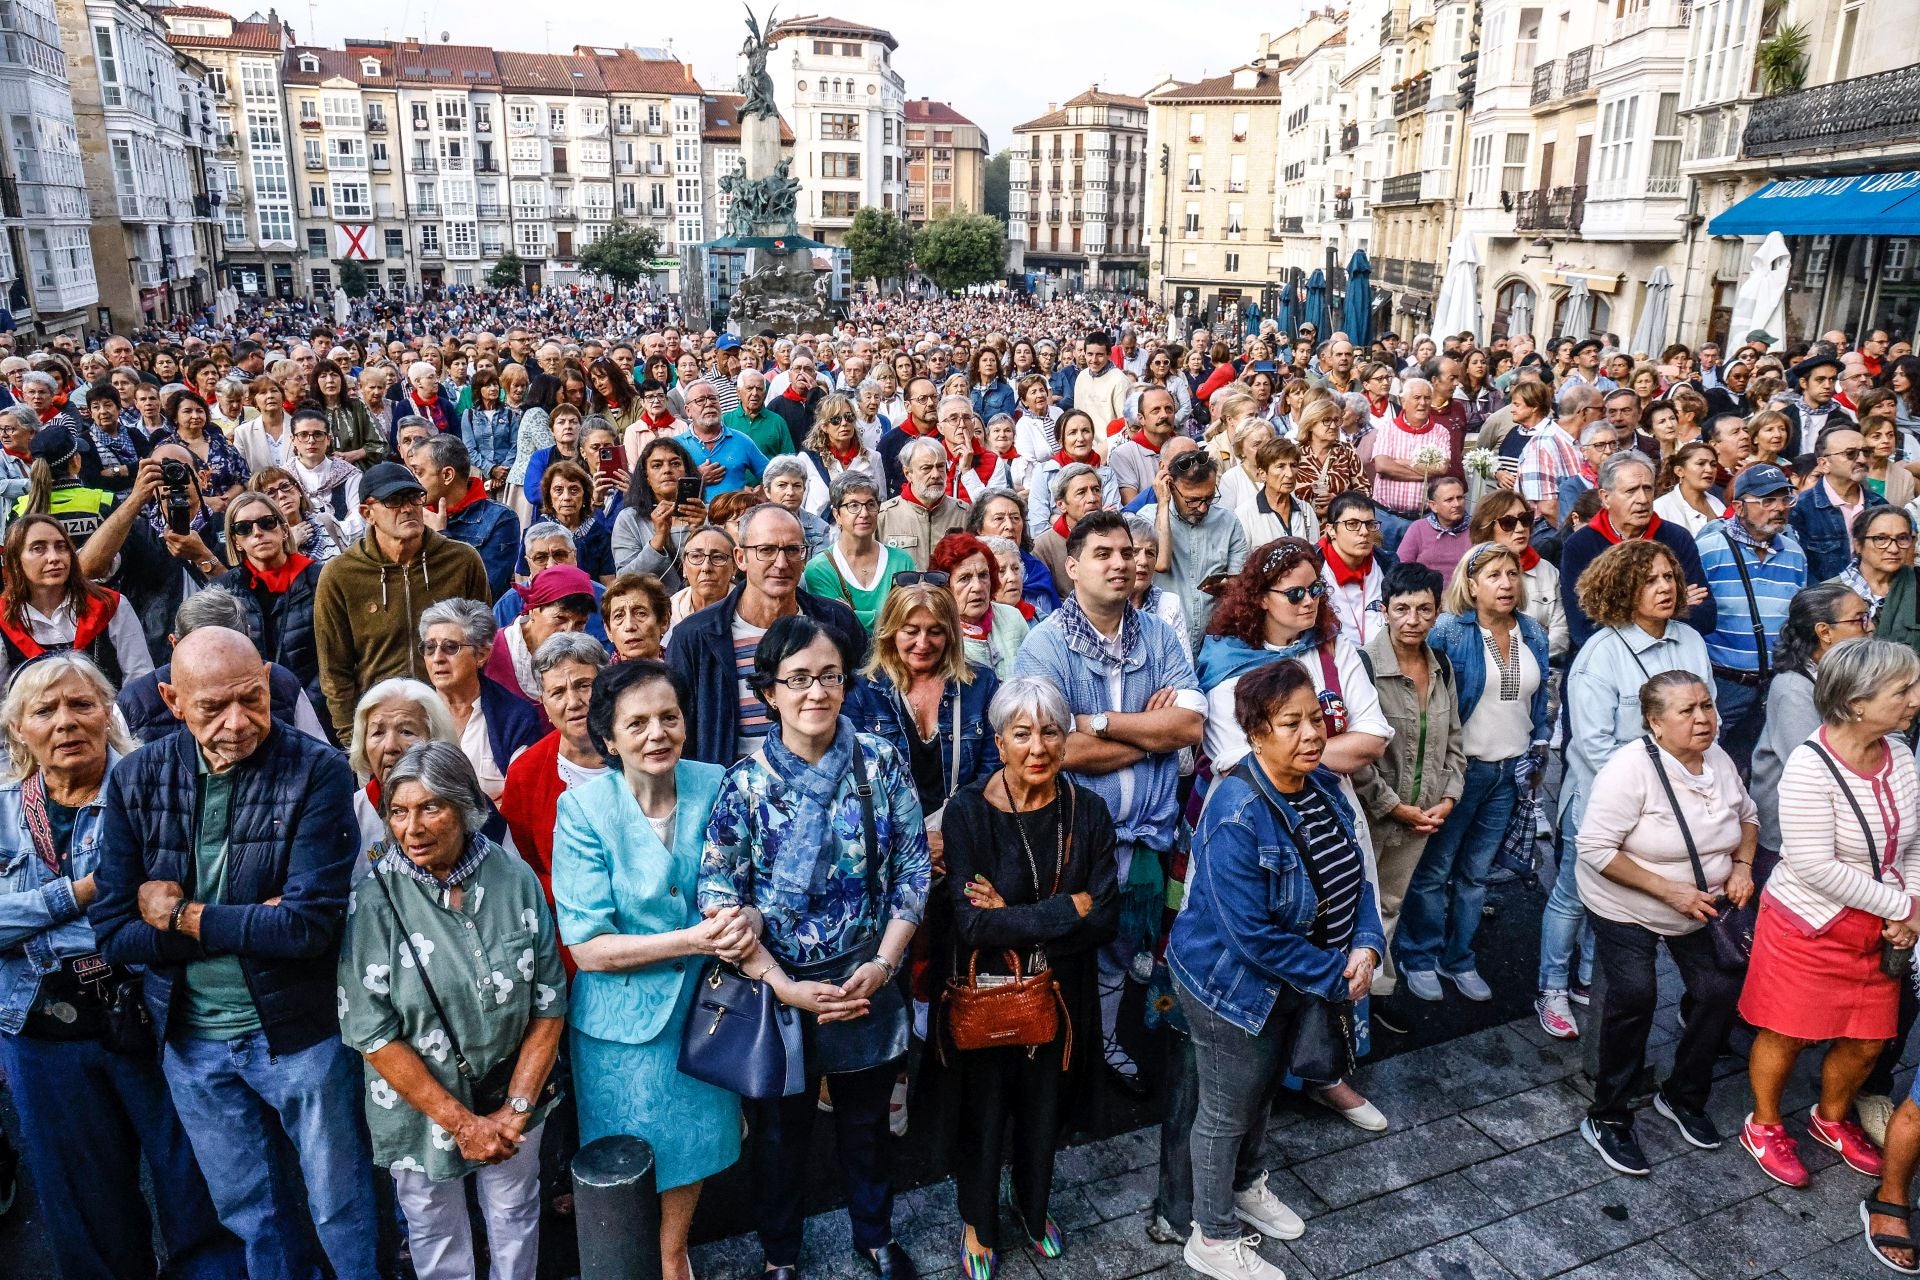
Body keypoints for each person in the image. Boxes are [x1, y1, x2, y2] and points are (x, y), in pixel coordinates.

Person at [91, 626, 377, 1280]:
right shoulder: (136, 780)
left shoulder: (317, 770)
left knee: (340, 1201)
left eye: (253, 698)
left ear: (270, 679)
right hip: (191, 1040)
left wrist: (183, 914)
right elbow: (113, 932)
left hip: (300, 1034)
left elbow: (306, 928)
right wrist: (250, 921)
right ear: (171, 699)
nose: (238, 721)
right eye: (213, 706)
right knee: (250, 1208)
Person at [698, 613, 931, 1280]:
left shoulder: (879, 762)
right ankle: (780, 1255)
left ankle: (875, 1236)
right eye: (796, 679)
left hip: (866, 978)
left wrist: (885, 964)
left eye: (829, 676)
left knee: (866, 1127)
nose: (815, 693)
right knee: (779, 1137)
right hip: (781, 991)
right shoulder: (744, 784)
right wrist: (781, 983)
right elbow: (719, 899)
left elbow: (914, 868)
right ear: (767, 691)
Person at [0, 652, 245, 1280]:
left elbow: (173, 903)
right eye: (45, 710)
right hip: (40, 1029)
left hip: (153, 1014)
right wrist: (83, 893)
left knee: (197, 1189)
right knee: (84, 1209)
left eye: (82, 705)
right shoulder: (4, 809)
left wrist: (31, 917)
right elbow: (121, 903)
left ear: (107, 713)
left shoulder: (156, 790)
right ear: (17, 729)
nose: (65, 723)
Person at [1172, 659, 1385, 1280]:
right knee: (1225, 1110)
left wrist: (1366, 944)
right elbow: (1251, 937)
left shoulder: (1317, 785)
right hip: (1230, 989)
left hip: (1298, 980)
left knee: (1262, 1092)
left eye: (1316, 718)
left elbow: (1355, 873)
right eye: (1291, 723)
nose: (1312, 734)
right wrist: (1336, 974)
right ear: (1255, 733)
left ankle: (1246, 1186)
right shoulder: (1236, 810)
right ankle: (1209, 1236)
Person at [551, 660, 747, 1280]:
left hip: (708, 1012)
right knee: (628, 1158)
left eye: (669, 717)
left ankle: (673, 1254)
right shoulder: (582, 809)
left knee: (691, 1149)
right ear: (608, 737)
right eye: (636, 723)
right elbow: (587, 946)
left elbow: (752, 883)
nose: (657, 733)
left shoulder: (718, 783)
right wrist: (692, 937)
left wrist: (751, 923)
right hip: (619, 1024)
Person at [340, 741, 566, 1280]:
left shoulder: (514, 880)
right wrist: (461, 1124)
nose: (411, 827)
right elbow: (370, 1029)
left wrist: (515, 1108)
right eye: (399, 811)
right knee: (433, 1228)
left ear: (465, 808)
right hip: (420, 1109)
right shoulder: (375, 900)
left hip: (513, 1093)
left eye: (430, 808)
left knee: (515, 1214)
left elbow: (549, 1001)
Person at [1014, 511, 1205, 1092]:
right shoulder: (1044, 643)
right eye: (1104, 554)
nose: (1122, 563)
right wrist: (1149, 735)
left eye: (1127, 552)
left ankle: (1104, 1043)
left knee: (1123, 951)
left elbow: (1191, 728)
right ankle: (1061, 1053)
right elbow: (1051, 751)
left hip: (1146, 833)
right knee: (1066, 948)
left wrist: (1097, 722)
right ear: (1071, 568)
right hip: (1076, 834)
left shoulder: (1159, 635)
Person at [935, 677, 1119, 1275]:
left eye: (1049, 732)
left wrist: (1010, 916)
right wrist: (1068, 909)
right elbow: (969, 925)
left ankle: (1033, 1207)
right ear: (999, 739)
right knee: (983, 1112)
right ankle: (978, 1223)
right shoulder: (968, 812)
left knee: (1047, 1111)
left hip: (1063, 996)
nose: (1037, 747)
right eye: (1022, 734)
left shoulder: (1087, 811)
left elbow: (1108, 917)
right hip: (991, 995)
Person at [1742, 639, 1920, 1193]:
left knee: (1868, 1039)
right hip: (1810, 924)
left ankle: (1830, 1117)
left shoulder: (1901, 753)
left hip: (1880, 924)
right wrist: (1905, 907)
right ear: (1857, 702)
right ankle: (1764, 1124)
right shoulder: (1808, 766)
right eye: (1903, 690)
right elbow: (1816, 867)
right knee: (1788, 1032)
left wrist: (1909, 907)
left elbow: (1912, 843)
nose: (1915, 699)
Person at [1575, 671, 1756, 1175]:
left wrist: (1741, 866)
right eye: (1687, 711)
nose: (1703, 719)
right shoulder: (1628, 770)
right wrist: (1668, 889)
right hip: (1627, 903)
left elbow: (1749, 816)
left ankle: (1682, 1095)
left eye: (1707, 706)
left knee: (1720, 990)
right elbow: (1593, 849)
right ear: (1655, 723)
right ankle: (1608, 1114)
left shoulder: (1718, 758)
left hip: (1701, 905)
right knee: (1635, 995)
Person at [1546, 540, 1715, 1039]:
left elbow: (1709, 719)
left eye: (1669, 577)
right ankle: (1551, 985)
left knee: (1618, 909)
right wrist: (1644, 799)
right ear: (1622, 589)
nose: (1664, 587)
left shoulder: (1690, 641)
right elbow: (1594, 746)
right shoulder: (1600, 655)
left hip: (1674, 804)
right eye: (1649, 580)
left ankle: (1586, 980)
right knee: (1574, 897)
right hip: (1604, 802)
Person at [1398, 544, 1549, 1004]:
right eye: (1495, 575)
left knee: (1476, 875)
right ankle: (1418, 955)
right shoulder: (1450, 632)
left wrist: (1538, 747)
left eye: (1513, 574)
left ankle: (1458, 957)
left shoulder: (1532, 632)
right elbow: (1425, 698)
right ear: (1471, 583)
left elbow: (1537, 702)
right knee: (1433, 870)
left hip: (1509, 774)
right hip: (1462, 772)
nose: (1506, 583)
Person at [666, 504, 860, 765]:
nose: (781, 563)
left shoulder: (836, 621)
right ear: (740, 558)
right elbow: (681, 731)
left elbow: (863, 705)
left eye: (792, 550)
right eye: (766, 550)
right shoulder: (696, 636)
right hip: (733, 791)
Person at [1352, 562, 1463, 999]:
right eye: (1402, 609)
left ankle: (1372, 994)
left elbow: (1454, 740)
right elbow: (1357, 755)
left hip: (1421, 816)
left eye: (1423, 609)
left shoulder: (1443, 668)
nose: (1412, 620)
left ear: (1437, 613)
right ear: (1384, 610)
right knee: (1355, 907)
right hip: (1373, 814)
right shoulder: (1362, 664)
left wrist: (1449, 797)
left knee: (1389, 907)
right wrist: (1390, 805)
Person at [312, 461, 491, 732]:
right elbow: (334, 670)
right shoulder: (340, 575)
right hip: (382, 726)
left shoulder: (462, 560)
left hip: (454, 720)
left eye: (413, 497)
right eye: (393, 501)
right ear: (367, 513)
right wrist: (352, 736)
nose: (408, 508)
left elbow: (483, 643)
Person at [846, 580, 1001, 864]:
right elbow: (858, 787)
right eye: (911, 631)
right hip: (890, 850)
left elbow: (991, 776)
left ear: (951, 635)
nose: (923, 643)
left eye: (935, 631)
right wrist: (915, 841)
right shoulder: (862, 693)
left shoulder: (981, 685)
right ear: (891, 632)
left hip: (967, 842)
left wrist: (952, 840)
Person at [1690, 463, 1808, 772]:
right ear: (1739, 506)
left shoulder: (1794, 553)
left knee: (1763, 769)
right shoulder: (1709, 548)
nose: (1779, 508)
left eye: (1785, 499)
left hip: (1773, 683)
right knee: (1710, 765)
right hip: (1723, 682)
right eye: (1767, 501)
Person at [1558, 450, 1715, 649]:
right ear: (1606, 498)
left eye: (1648, 489)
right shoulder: (1581, 545)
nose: (1642, 499)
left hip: (1673, 656)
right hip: (1612, 664)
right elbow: (1582, 627)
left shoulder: (1677, 538)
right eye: (1631, 491)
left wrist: (1616, 609)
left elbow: (1706, 617)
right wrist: (1672, 606)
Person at [499, 632, 612, 906]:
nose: (573, 702)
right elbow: (520, 869)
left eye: (584, 685)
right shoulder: (526, 773)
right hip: (564, 921)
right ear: (545, 705)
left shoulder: (640, 753)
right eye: (558, 692)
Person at [215, 492, 329, 741]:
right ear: (235, 542)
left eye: (267, 523)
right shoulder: (222, 591)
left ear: (284, 530)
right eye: (244, 528)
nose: (257, 533)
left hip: (321, 711)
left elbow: (337, 655)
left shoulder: (322, 579)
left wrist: (307, 704)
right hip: (253, 716)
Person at [0, 512, 152, 685]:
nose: (54, 557)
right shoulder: (3, 617)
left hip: (108, 711)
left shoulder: (111, 605)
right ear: (15, 561)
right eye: (38, 549)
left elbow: (141, 681)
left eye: (61, 546)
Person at [418, 598, 544, 802]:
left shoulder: (515, 717)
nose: (437, 658)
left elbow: (523, 799)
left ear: (482, 655)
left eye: (451, 647)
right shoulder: (413, 713)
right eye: (430, 648)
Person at [1149, 449, 1249, 652]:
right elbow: (1160, 563)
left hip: (1214, 642)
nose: (1203, 508)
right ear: (1170, 487)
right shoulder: (1146, 519)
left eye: (1210, 498)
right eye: (1193, 500)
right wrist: (1162, 503)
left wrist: (1227, 588)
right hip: (1164, 643)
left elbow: (1238, 585)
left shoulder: (1228, 522)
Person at [804, 471, 915, 635]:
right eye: (853, 505)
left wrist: (850, 615)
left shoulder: (902, 561)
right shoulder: (819, 569)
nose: (864, 513)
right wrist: (889, 617)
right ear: (837, 515)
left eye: (870, 504)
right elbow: (832, 626)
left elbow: (910, 620)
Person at [410, 433, 518, 602]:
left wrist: (441, 535)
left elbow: (486, 592)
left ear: (447, 475)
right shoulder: (412, 516)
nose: (412, 482)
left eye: (419, 473)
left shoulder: (500, 519)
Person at [1792, 424, 1885, 582]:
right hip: (1824, 601)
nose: (1862, 459)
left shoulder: (1881, 506)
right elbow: (1800, 571)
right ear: (1824, 464)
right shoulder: (1800, 509)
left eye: (1866, 452)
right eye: (1851, 454)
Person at [932, 530, 1029, 680]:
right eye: (965, 578)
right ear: (945, 585)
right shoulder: (936, 631)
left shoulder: (1013, 618)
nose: (977, 587)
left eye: (984, 575)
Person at [878, 437, 971, 571]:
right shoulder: (884, 516)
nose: (936, 475)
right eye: (926, 468)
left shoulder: (963, 513)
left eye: (940, 466)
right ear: (908, 473)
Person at [1319, 492, 1394, 649]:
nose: (1364, 532)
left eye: (1370, 524)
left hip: (1381, 659)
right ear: (1331, 530)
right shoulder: (1313, 568)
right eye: (1352, 524)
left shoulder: (1387, 564)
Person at [679, 378, 768, 496]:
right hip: (692, 513)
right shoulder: (677, 446)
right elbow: (664, 489)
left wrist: (761, 496)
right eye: (700, 400)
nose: (709, 403)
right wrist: (697, 479)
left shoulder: (742, 441)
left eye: (713, 398)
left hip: (736, 514)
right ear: (687, 410)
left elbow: (772, 475)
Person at [1392, 475, 1471, 584]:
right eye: (1449, 500)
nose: (1456, 504)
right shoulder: (1418, 528)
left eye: (1460, 498)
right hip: (1425, 597)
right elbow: (1401, 569)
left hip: (1464, 598)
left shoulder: (1476, 529)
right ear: (1433, 506)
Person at [601, 573, 673, 662]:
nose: (629, 626)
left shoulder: (684, 672)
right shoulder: (598, 675)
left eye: (640, 613)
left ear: (664, 621)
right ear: (608, 630)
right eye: (619, 616)